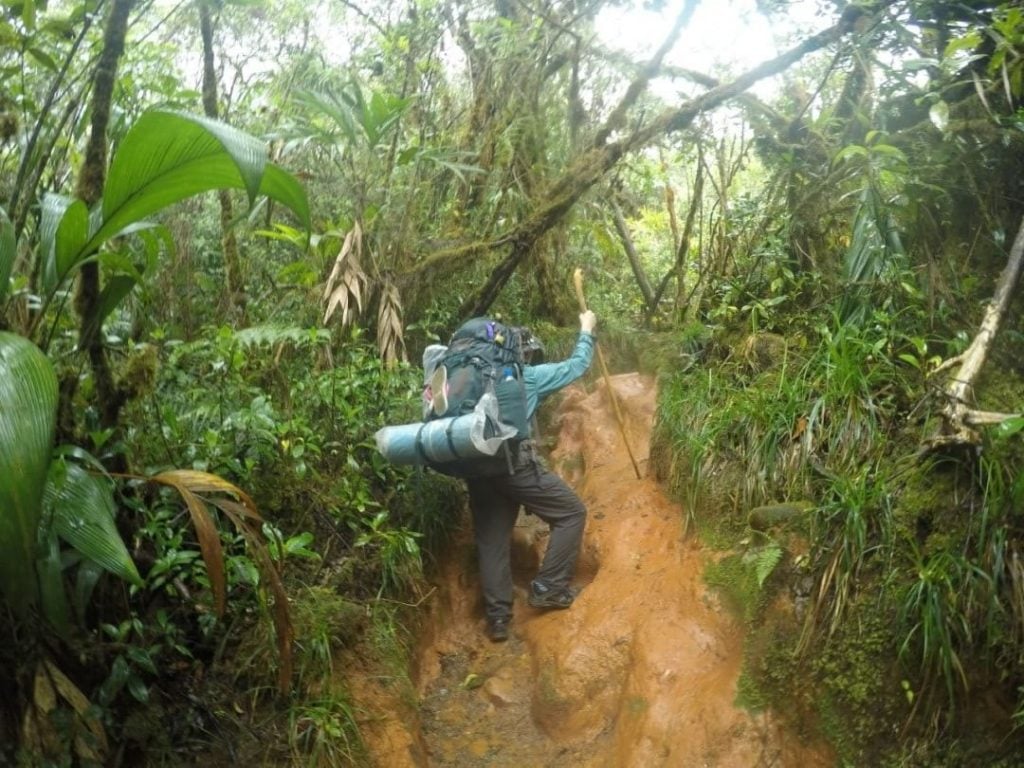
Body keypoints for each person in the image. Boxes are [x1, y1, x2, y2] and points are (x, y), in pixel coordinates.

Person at [466, 309, 597, 642]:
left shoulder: (469, 381)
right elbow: (576, 366)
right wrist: (586, 328)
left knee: (492, 542)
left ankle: (498, 621)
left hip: (477, 469)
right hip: (515, 465)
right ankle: (549, 586)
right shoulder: (529, 376)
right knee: (571, 512)